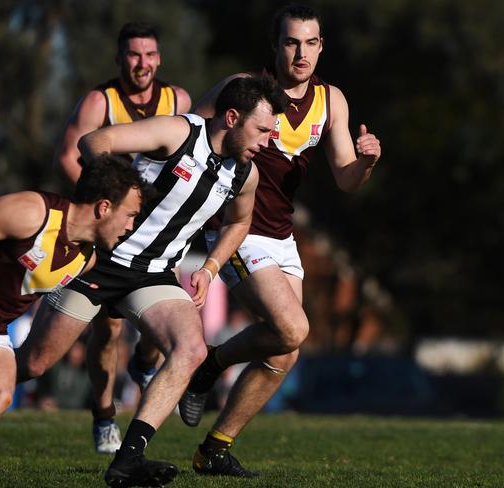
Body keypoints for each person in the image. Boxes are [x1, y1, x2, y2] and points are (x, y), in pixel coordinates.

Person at [14, 75, 287, 487]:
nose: (267, 142)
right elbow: (93, 143)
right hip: (97, 261)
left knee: (191, 349)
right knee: (33, 364)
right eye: (262, 130)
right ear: (232, 117)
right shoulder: (179, 130)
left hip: (152, 275)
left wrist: (210, 268)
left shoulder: (243, 174)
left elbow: (240, 221)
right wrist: (111, 198)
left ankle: (127, 462)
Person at [178, 3, 382, 477]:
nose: (301, 52)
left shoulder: (332, 102)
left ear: (321, 47)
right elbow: (187, 130)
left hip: (283, 237)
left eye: (311, 42)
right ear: (276, 47)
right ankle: (211, 365)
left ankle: (215, 449)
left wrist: (367, 161)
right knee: (293, 328)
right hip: (237, 231)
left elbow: (347, 179)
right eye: (291, 42)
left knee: (285, 351)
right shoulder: (245, 88)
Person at [0, 154, 145, 484]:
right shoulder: (32, 212)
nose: (130, 226)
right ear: (104, 207)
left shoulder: (87, 259)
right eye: (130, 215)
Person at [53, 21, 191, 454]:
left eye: (149, 54)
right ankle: (104, 414)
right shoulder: (101, 101)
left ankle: (144, 364)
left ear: (159, 58)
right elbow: (68, 155)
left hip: (156, 234)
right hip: (109, 232)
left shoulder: (178, 100)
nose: (142, 64)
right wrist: (104, 209)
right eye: (133, 55)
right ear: (120, 59)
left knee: (160, 321)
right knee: (109, 329)